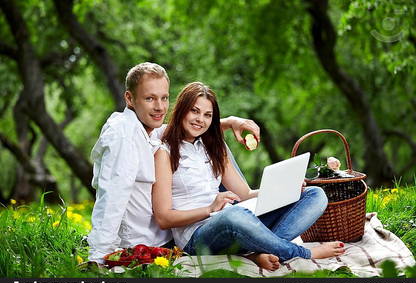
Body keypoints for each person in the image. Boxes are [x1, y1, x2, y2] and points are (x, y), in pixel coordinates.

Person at [152, 82, 345, 271]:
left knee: (315, 195)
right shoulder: (165, 152)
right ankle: (304, 253)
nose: (200, 119)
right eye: (194, 111)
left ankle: (260, 252)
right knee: (235, 214)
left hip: (236, 222)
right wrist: (209, 208)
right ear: (181, 110)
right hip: (197, 236)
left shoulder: (214, 148)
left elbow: (245, 194)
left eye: (207, 115)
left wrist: (287, 189)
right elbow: (164, 218)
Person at [87, 63, 261, 264]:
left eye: (164, 98)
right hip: (146, 245)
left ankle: (250, 246)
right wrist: (99, 257)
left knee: (210, 148)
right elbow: (111, 198)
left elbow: (186, 128)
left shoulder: (147, 129)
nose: (160, 107)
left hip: (168, 239)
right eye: (150, 98)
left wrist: (231, 122)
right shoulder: (123, 136)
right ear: (129, 98)